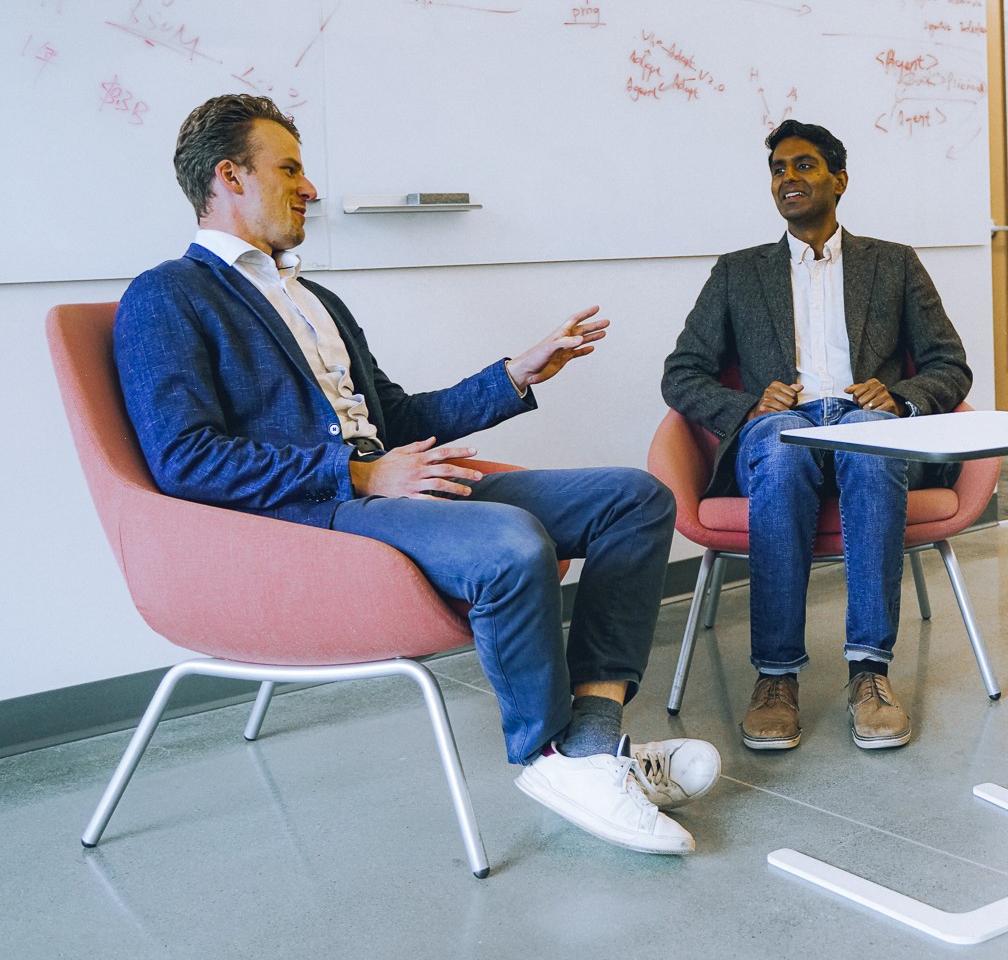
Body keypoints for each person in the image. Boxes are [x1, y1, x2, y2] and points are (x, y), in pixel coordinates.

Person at [114, 93, 721, 856]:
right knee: (510, 543)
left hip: (391, 487)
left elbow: (396, 419)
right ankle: (550, 757)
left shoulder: (314, 298)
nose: (309, 188)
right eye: (290, 169)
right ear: (229, 177)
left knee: (633, 499)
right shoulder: (168, 295)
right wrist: (360, 477)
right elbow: (186, 459)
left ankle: (593, 744)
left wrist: (514, 374)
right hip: (316, 514)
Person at [662, 119, 971, 752]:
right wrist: (749, 404)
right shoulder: (738, 273)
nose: (788, 178)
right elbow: (681, 373)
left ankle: (870, 672)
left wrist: (901, 396)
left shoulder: (893, 263)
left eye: (803, 165)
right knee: (781, 451)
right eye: (778, 169)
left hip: (864, 419)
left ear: (840, 180)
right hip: (782, 424)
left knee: (868, 441)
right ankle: (776, 677)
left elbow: (950, 364)